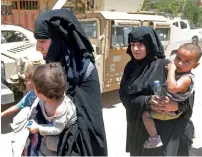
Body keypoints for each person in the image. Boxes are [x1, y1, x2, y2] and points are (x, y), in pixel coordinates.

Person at [24, 8, 107, 156]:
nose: (38, 47)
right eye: (37, 41)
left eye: (42, 41)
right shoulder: (53, 62)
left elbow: (89, 122)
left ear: (59, 39)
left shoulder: (83, 69)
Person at [119, 26, 195, 156]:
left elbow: (188, 100)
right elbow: (124, 96)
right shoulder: (130, 67)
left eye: (140, 44)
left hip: (166, 133)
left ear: (149, 44)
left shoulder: (166, 66)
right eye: (132, 44)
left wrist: (175, 106)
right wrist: (147, 101)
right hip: (139, 129)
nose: (135, 49)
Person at [142, 43, 201, 149]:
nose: (179, 63)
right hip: (170, 107)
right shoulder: (181, 73)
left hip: (170, 112)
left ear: (195, 65)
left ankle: (154, 138)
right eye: (178, 58)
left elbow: (172, 88)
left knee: (146, 115)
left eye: (187, 61)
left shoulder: (187, 79)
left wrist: (171, 70)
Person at [25, 62, 77, 156]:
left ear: (41, 93)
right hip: (54, 123)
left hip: (61, 131)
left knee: (49, 146)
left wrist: (38, 128)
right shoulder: (48, 96)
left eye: (34, 87)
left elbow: (57, 129)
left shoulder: (59, 110)